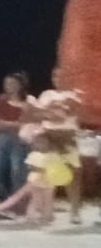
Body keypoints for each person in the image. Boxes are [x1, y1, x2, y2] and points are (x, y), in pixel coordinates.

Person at [0, 132, 76, 224]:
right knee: (34, 200)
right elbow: (32, 167)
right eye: (38, 142)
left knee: (47, 200)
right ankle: (31, 215)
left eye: (43, 142)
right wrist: (45, 169)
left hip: (49, 182)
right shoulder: (34, 155)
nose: (41, 145)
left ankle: (47, 215)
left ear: (49, 143)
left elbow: (60, 167)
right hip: (36, 181)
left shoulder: (53, 155)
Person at [32, 68, 86, 224]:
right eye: (56, 76)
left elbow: (81, 115)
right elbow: (37, 114)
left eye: (63, 76)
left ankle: (75, 212)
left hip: (68, 137)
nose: (59, 79)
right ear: (52, 78)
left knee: (74, 174)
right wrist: (51, 110)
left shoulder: (76, 94)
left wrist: (72, 106)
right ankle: (47, 211)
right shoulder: (46, 95)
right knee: (50, 173)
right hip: (50, 136)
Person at [0, 72, 33, 202]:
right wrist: (15, 124)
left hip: (20, 140)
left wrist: (4, 123)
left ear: (20, 86)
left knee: (17, 168)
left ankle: (17, 200)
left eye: (11, 83)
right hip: (1, 139)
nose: (8, 86)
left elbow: (27, 124)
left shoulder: (28, 103)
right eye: (6, 83)